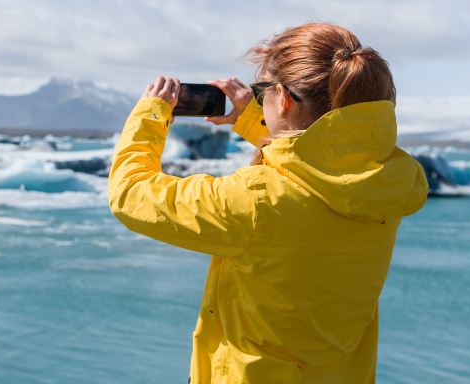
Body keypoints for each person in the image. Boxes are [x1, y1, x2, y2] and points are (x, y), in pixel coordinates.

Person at [108, 22, 428, 383]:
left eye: (262, 92)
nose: (259, 99)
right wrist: (254, 118)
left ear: (285, 98)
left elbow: (131, 194)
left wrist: (150, 115)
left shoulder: (255, 201)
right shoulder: (383, 183)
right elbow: (323, 164)